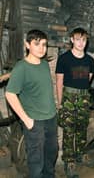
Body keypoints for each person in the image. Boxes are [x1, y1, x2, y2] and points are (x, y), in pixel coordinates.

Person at [5, 29, 58, 178]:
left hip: (51, 119)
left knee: (51, 156)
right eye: (37, 44)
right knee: (36, 162)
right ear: (27, 45)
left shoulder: (44, 64)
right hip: (35, 122)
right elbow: (10, 94)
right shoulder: (21, 67)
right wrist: (27, 121)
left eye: (44, 44)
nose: (42, 48)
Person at [55, 27, 94, 177]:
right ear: (72, 39)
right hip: (68, 98)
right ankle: (69, 161)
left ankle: (81, 154)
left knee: (82, 128)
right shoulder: (64, 59)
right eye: (78, 39)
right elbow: (59, 82)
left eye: (84, 40)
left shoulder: (90, 60)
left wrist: (82, 96)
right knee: (68, 130)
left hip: (84, 98)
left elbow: (88, 79)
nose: (81, 43)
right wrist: (60, 103)